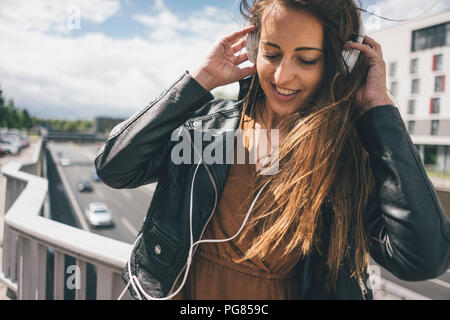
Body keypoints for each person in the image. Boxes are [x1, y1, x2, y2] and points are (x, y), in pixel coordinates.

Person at [95, 0, 450, 300]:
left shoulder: (349, 153)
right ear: (253, 48)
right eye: (272, 53)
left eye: (306, 59)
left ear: (340, 61)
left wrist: (380, 112)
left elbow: (423, 258)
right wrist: (199, 81)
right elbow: (115, 167)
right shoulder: (206, 127)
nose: (282, 76)